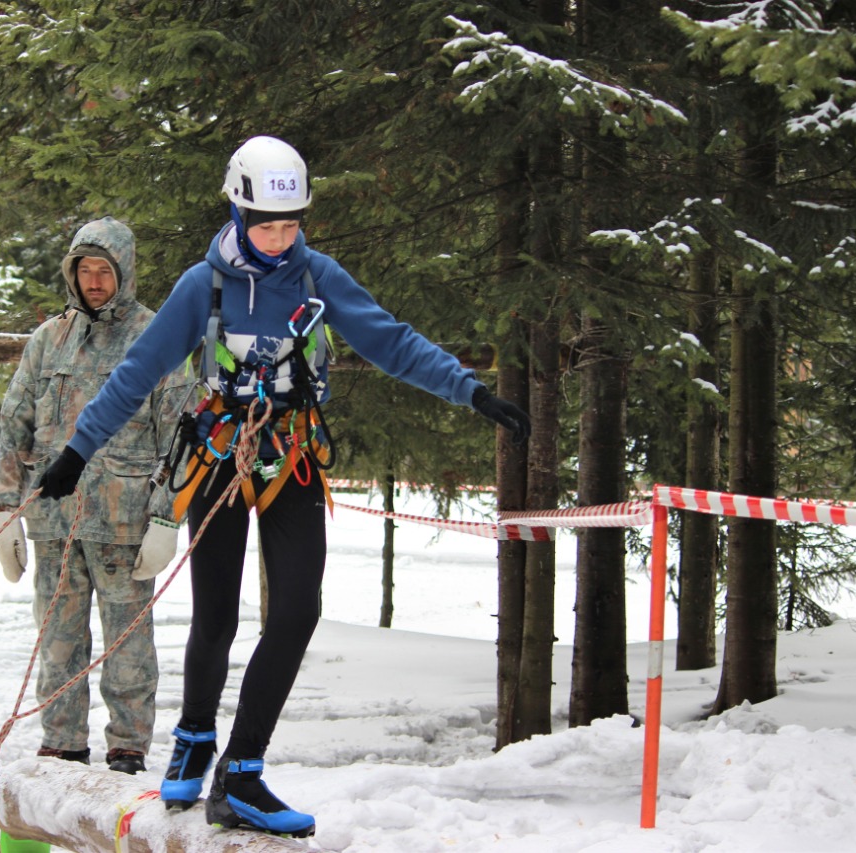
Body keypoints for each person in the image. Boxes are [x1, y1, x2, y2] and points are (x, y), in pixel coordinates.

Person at [36, 137, 529, 836]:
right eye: (267, 224)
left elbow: (391, 340)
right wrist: (76, 451)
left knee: (297, 609)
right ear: (238, 212)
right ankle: (194, 739)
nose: (279, 238)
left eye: (291, 224)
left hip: (291, 457)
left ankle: (240, 772)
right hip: (217, 457)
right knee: (217, 618)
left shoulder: (317, 277)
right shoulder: (200, 287)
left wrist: (471, 393)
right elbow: (138, 371)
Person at [0, 216, 192, 775]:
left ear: (123, 274)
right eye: (85, 270)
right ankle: (62, 744)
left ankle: (127, 748)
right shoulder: (47, 341)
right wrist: (5, 507)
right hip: (55, 523)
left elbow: (181, 432)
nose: (94, 281)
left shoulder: (160, 339)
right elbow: (14, 424)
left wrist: (167, 517)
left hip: (125, 526)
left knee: (128, 648)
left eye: (105, 270)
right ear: (72, 274)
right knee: (57, 642)